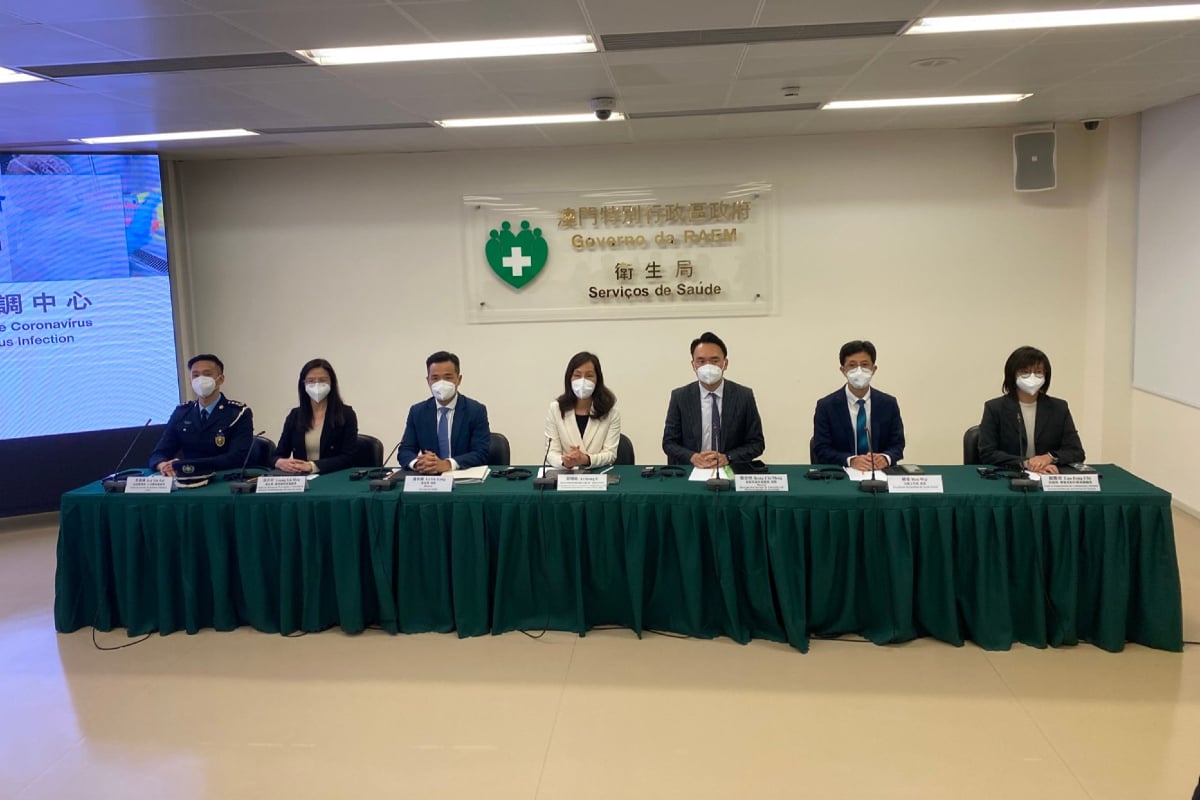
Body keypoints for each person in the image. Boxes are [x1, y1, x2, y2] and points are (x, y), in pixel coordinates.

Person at [662, 331, 765, 467]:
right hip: (691, 469)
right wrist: (693, 457)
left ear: (725, 364)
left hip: (730, 468)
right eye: (701, 361)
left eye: (714, 360)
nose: (708, 366)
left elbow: (757, 443)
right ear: (693, 365)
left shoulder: (744, 396)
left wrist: (727, 458)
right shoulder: (680, 397)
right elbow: (669, 443)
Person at [978, 345, 1084, 473]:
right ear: (1013, 375)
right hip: (1011, 475)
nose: (1032, 377)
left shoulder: (1059, 408)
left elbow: (1076, 452)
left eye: (1038, 372)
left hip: (1049, 475)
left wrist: (1049, 457)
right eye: (1025, 372)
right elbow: (988, 454)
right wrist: (1027, 463)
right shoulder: (994, 408)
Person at [148, 353, 254, 477]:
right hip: (187, 480)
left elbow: (237, 458)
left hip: (222, 479)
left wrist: (187, 465)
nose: (200, 380)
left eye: (207, 374)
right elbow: (159, 453)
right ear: (190, 381)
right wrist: (162, 465)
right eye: (195, 375)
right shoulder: (182, 413)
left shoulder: (238, 413)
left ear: (220, 379)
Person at [812, 340, 905, 469]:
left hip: (880, 472)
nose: (859, 371)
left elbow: (897, 444)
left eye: (865, 365)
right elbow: (821, 448)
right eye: (852, 365)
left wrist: (885, 458)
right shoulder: (826, 406)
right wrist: (851, 461)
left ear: (874, 369)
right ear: (843, 370)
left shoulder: (888, 404)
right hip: (843, 473)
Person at [398, 351, 491, 474]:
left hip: (462, 477)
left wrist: (447, 464)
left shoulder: (476, 410)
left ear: (459, 379)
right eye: (435, 378)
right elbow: (405, 451)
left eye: (448, 377)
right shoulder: (417, 412)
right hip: (429, 479)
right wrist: (418, 463)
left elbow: (481, 453)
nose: (441, 383)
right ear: (428, 381)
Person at [272, 358, 359, 475]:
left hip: (332, 477)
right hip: (301, 479)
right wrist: (279, 462)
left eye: (322, 380)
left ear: (331, 383)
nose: (317, 385)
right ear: (303, 384)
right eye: (311, 381)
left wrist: (312, 466)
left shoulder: (346, 414)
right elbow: (277, 455)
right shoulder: (295, 415)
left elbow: (348, 458)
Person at [544, 351, 621, 469]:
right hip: (566, 474)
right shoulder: (556, 409)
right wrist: (564, 461)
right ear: (569, 378)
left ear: (598, 379)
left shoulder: (611, 412)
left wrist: (586, 459)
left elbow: (610, 454)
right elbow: (551, 452)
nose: (583, 381)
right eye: (577, 375)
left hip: (597, 474)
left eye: (589, 375)